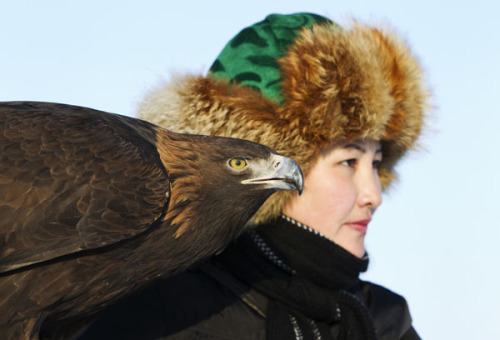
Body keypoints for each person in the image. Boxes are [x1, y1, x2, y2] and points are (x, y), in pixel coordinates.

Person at [76, 12, 430, 340]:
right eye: (349, 162)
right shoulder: (166, 311)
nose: (373, 194)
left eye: (376, 163)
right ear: (271, 170)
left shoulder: (385, 320)